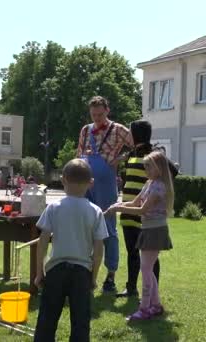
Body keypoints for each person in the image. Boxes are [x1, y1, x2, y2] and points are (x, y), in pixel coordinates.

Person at [33, 159, 107, 342]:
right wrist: (94, 276)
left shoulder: (54, 207)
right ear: (91, 183)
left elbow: (42, 243)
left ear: (63, 179)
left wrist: (39, 272)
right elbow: (99, 249)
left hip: (55, 269)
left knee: (47, 319)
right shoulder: (95, 211)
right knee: (81, 321)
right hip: (82, 272)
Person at [106, 151, 174, 321]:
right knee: (148, 269)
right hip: (148, 229)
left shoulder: (159, 186)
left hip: (155, 230)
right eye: (145, 166)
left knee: (145, 269)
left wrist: (118, 209)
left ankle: (144, 308)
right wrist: (118, 204)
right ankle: (156, 305)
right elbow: (135, 203)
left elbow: (143, 210)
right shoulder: (149, 183)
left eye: (149, 166)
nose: (146, 169)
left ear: (159, 167)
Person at [76, 96, 133, 293]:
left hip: (106, 185)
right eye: (94, 115)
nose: (97, 118)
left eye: (100, 114)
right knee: (85, 227)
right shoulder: (85, 130)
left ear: (107, 110)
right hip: (85, 185)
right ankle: (85, 272)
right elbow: (78, 155)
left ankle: (111, 275)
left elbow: (139, 146)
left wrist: (121, 158)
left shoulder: (118, 129)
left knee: (108, 229)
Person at [116, 120, 160, 298]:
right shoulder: (131, 155)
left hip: (146, 213)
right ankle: (131, 287)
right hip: (129, 209)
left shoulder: (154, 155)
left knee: (150, 255)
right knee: (132, 252)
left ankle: (152, 291)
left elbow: (169, 173)